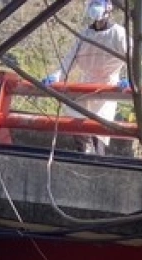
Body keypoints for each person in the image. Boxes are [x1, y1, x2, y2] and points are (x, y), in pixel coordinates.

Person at [42, 0, 128, 155]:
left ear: (109, 6)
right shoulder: (85, 35)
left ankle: (98, 163)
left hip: (108, 88)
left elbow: (132, 58)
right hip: (86, 85)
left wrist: (130, 80)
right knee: (78, 125)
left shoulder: (118, 34)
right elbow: (69, 61)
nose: (94, 6)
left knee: (99, 131)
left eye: (98, 2)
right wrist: (55, 76)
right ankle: (83, 156)